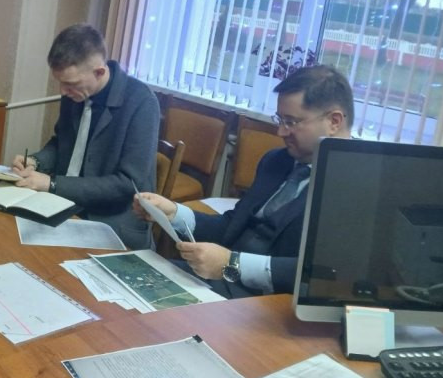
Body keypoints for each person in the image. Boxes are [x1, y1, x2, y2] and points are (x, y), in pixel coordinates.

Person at [135, 65, 354, 297]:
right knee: (136, 277)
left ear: (334, 121)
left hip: (272, 302)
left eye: (291, 122)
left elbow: (326, 272)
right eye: (280, 119)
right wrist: (174, 213)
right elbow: (232, 226)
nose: (280, 132)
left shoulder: (356, 186)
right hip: (221, 282)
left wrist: (232, 263)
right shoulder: (276, 161)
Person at [12, 24, 160, 249]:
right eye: (60, 82)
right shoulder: (75, 94)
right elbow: (61, 143)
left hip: (111, 222)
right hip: (63, 206)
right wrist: (36, 161)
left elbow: (128, 184)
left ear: (99, 72)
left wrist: (52, 184)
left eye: (70, 84)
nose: (63, 91)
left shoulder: (141, 102)